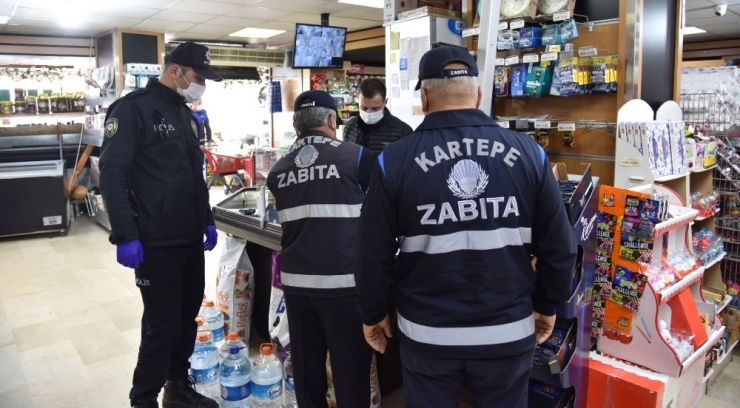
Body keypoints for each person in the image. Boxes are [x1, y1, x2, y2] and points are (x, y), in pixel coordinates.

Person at [355, 46, 577, 407]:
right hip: (508, 330)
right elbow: (559, 246)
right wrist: (547, 304)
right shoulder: (530, 154)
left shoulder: (393, 161)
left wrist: (373, 312)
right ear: (477, 94)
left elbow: (371, 252)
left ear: (424, 97)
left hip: (428, 336)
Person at [99, 41, 222, 408]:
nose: (202, 84)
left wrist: (208, 218)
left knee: (186, 319)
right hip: (154, 240)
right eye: (198, 76)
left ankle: (176, 388)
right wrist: (125, 234)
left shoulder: (185, 114)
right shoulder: (133, 109)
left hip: (187, 237)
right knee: (162, 325)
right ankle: (143, 399)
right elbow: (113, 175)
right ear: (175, 71)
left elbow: (194, 176)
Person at [266, 90, 376, 408]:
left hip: (298, 286)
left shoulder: (278, 171)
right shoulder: (357, 157)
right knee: (350, 372)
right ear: (331, 120)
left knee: (306, 370)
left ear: (296, 126)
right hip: (343, 285)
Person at [343, 78, 413, 155]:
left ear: (385, 102)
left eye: (375, 108)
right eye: (364, 108)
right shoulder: (350, 127)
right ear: (358, 100)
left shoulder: (403, 132)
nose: (369, 112)